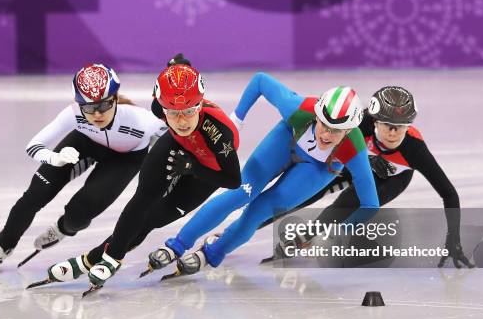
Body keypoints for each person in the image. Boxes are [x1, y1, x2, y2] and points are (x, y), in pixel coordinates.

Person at [145, 72, 379, 277]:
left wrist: (342, 231)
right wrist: (237, 118)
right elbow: (260, 81)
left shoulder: (354, 149)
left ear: (349, 130)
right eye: (323, 125)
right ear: (316, 115)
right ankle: (177, 245)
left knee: (259, 211)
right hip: (287, 139)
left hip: (319, 168)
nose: (326, 135)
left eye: (336, 131)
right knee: (240, 193)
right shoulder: (298, 108)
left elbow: (370, 204)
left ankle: (212, 253)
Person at [41, 59, 242, 290]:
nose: (182, 120)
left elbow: (233, 180)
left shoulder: (220, 134)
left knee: (152, 219)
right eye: (173, 113)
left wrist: (191, 168)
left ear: (199, 105)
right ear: (162, 107)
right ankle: (111, 259)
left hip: (208, 170)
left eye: (189, 111)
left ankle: (91, 258)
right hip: (178, 147)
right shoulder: (159, 107)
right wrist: (177, 65)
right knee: (142, 199)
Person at [0, 63, 167, 268]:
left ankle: (63, 228)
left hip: (125, 159)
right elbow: (33, 146)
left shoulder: (143, 121)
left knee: (79, 215)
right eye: (88, 107)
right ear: (78, 104)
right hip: (83, 143)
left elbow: (177, 134)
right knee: (34, 195)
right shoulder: (73, 114)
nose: (97, 114)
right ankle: (2, 245)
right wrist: (55, 159)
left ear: (115, 98)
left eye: (104, 105)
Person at [258, 86, 473, 268]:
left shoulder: (415, 150)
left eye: (401, 128)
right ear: (374, 121)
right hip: (355, 165)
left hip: (391, 178)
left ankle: (300, 240)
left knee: (346, 204)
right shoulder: (359, 124)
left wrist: (453, 239)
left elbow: (449, 194)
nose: (393, 133)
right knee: (308, 192)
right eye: (388, 125)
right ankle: (251, 224)